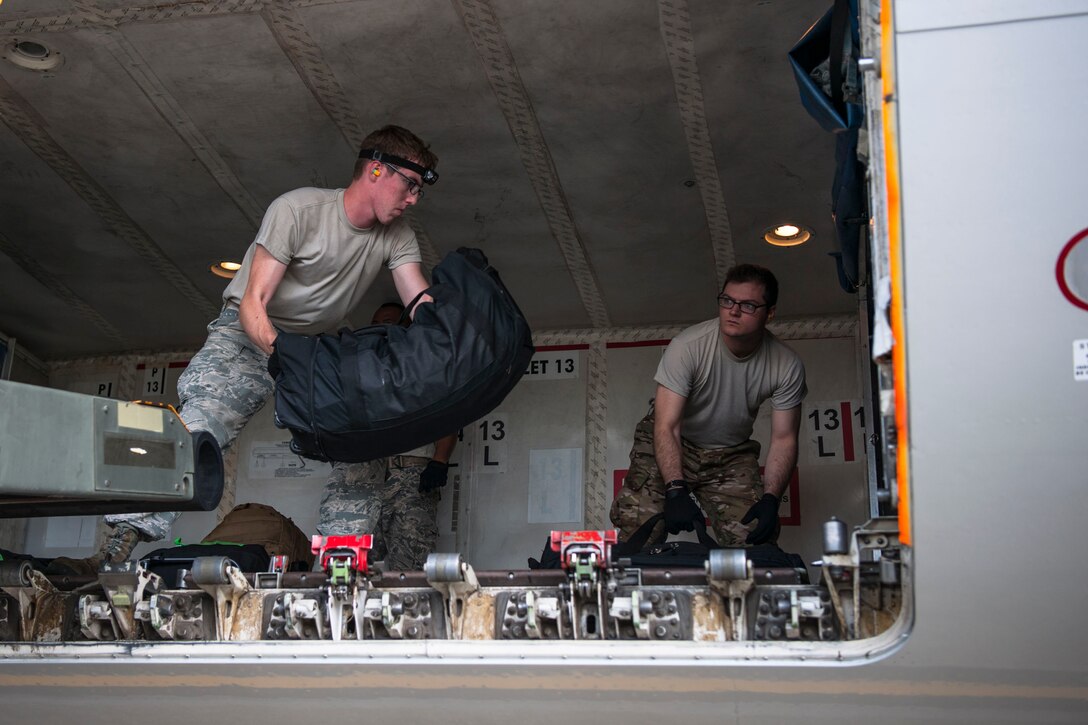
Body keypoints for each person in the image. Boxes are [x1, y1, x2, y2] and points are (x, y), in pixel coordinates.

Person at [52, 126, 440, 575]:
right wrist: (283, 353)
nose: (413, 198)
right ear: (376, 169)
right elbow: (254, 303)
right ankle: (115, 548)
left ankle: (339, 566)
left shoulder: (397, 236)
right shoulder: (298, 209)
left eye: (419, 191)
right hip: (249, 334)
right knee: (197, 433)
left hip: (315, 349)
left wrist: (455, 333)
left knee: (361, 446)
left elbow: (419, 301)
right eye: (410, 185)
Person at [609, 264, 806, 547]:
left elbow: (785, 439)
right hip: (675, 441)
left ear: (770, 313)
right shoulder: (688, 347)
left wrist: (771, 498)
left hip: (731, 454)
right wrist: (676, 489)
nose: (733, 311)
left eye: (748, 305)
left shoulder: (786, 365)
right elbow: (667, 425)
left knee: (755, 541)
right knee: (638, 533)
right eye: (727, 300)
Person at [316, 302, 457, 571]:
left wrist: (439, 462)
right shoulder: (360, 370)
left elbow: (448, 420)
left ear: (407, 326)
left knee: (411, 561)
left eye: (390, 321)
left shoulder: (423, 368)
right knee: (353, 560)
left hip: (411, 475)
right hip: (365, 473)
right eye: (377, 322)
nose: (382, 328)